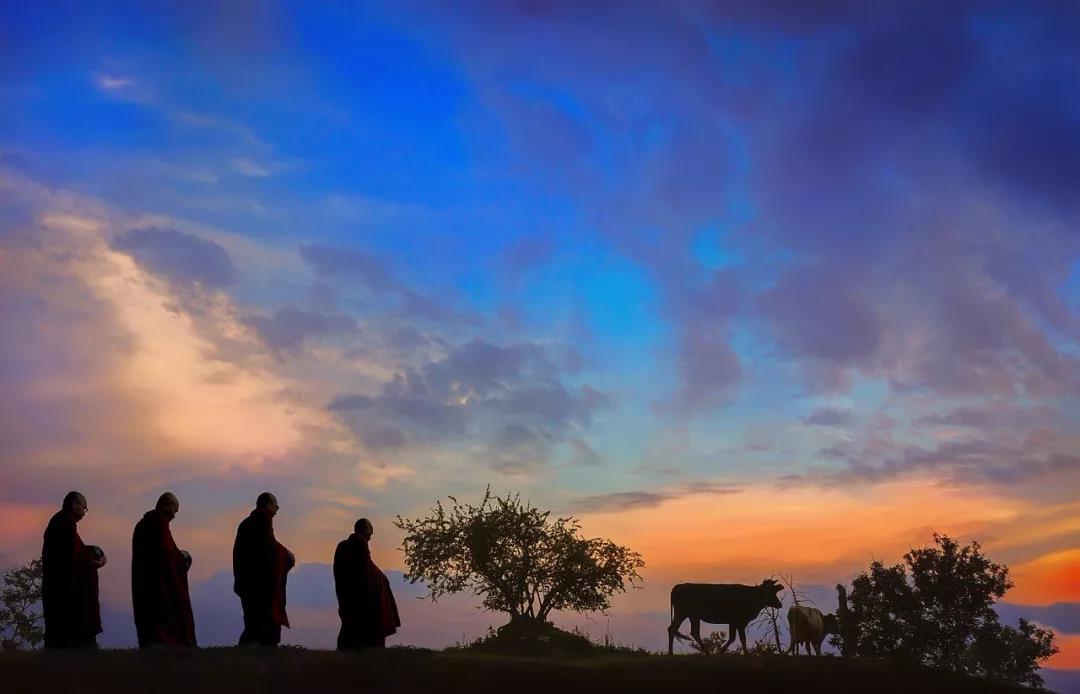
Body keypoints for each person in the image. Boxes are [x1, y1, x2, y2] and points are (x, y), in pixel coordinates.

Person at [131, 492, 196, 647]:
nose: (174, 515)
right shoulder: (158, 523)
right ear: (166, 506)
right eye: (174, 510)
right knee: (167, 614)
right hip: (159, 582)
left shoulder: (142, 524)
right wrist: (182, 559)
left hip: (143, 581)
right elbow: (166, 554)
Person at [42, 491, 105, 648]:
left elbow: (78, 551)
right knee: (71, 622)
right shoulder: (64, 524)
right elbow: (70, 557)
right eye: (84, 508)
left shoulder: (61, 521)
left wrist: (92, 552)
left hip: (58, 582)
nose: (84, 512)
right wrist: (93, 561)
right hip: (64, 584)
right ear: (75, 505)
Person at [233, 492, 294, 646]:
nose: (277, 509)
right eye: (275, 505)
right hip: (260, 585)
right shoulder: (263, 520)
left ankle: (246, 653)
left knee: (252, 623)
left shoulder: (246, 523)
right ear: (267, 505)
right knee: (262, 625)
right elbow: (269, 549)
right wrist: (287, 555)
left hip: (246, 582)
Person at [333, 518, 401, 649]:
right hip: (361, 598)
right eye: (370, 529)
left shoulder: (343, 546)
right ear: (364, 530)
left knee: (349, 630)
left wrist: (381, 578)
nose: (371, 533)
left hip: (348, 596)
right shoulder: (359, 544)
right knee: (363, 632)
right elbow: (365, 572)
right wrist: (381, 580)